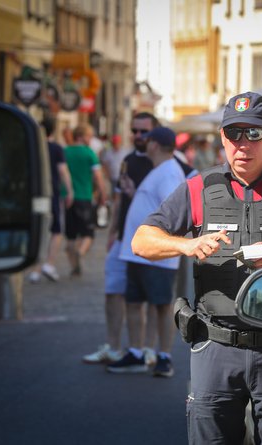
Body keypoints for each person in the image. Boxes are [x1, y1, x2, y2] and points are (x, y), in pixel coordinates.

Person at [131, 91, 262, 444]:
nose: (243, 143)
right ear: (222, 137)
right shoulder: (198, 188)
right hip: (215, 347)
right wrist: (187, 244)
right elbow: (141, 240)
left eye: (253, 133)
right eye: (234, 133)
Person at [106, 127, 188, 378]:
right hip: (141, 252)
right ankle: (137, 352)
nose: (142, 140)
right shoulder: (160, 170)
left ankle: (164, 357)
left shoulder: (169, 172)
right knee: (134, 302)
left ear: (154, 145)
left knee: (162, 305)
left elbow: (175, 213)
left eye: (147, 138)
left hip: (157, 254)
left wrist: (165, 245)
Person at [82, 112, 158, 365]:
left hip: (149, 239)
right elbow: (118, 200)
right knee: (112, 292)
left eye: (143, 131)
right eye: (134, 131)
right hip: (123, 238)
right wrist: (112, 231)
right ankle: (113, 346)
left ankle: (147, 348)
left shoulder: (162, 163)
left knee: (147, 297)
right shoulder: (127, 160)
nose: (137, 135)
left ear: (154, 132)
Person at [29, 117, 74, 283]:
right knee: (56, 230)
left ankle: (35, 268)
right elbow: (63, 171)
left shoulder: (33, 147)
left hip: (34, 194)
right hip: (52, 193)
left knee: (37, 229)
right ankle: (49, 264)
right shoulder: (56, 148)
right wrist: (69, 191)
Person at [63, 123, 107, 277]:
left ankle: (75, 267)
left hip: (67, 199)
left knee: (70, 236)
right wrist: (103, 195)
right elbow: (98, 177)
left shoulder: (65, 151)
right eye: (88, 136)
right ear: (81, 136)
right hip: (84, 197)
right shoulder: (89, 153)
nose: (90, 139)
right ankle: (80, 254)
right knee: (88, 233)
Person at [99, 134, 131, 199]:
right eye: (114, 143)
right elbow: (105, 164)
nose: (116, 145)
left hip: (121, 178)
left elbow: (125, 164)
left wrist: (123, 175)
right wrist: (107, 175)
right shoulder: (109, 152)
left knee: (121, 195)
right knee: (113, 194)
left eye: (117, 143)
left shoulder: (124, 152)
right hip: (112, 178)